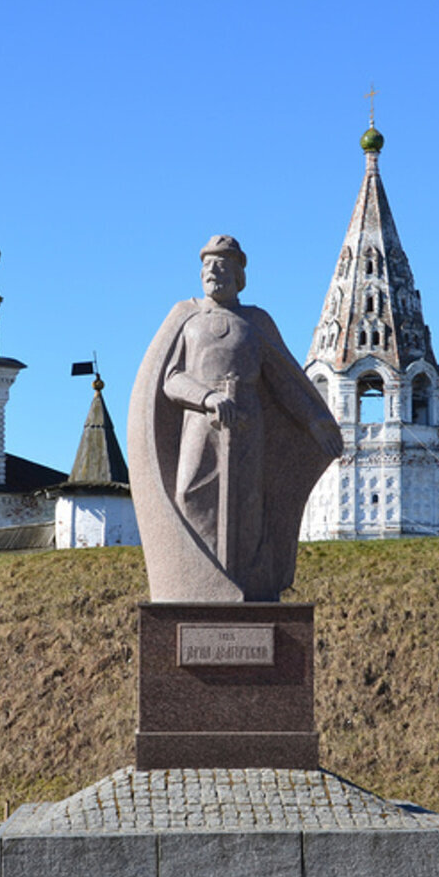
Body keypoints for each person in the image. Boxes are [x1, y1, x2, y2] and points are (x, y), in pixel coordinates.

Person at [129, 235, 342, 602]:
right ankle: (199, 583)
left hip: (248, 423)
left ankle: (245, 586)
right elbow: (170, 379)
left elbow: (284, 381)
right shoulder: (187, 317)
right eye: (208, 265)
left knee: (248, 505)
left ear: (239, 275)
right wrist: (207, 397)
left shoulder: (256, 322)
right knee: (190, 494)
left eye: (223, 266)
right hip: (202, 421)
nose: (214, 272)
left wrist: (314, 421)